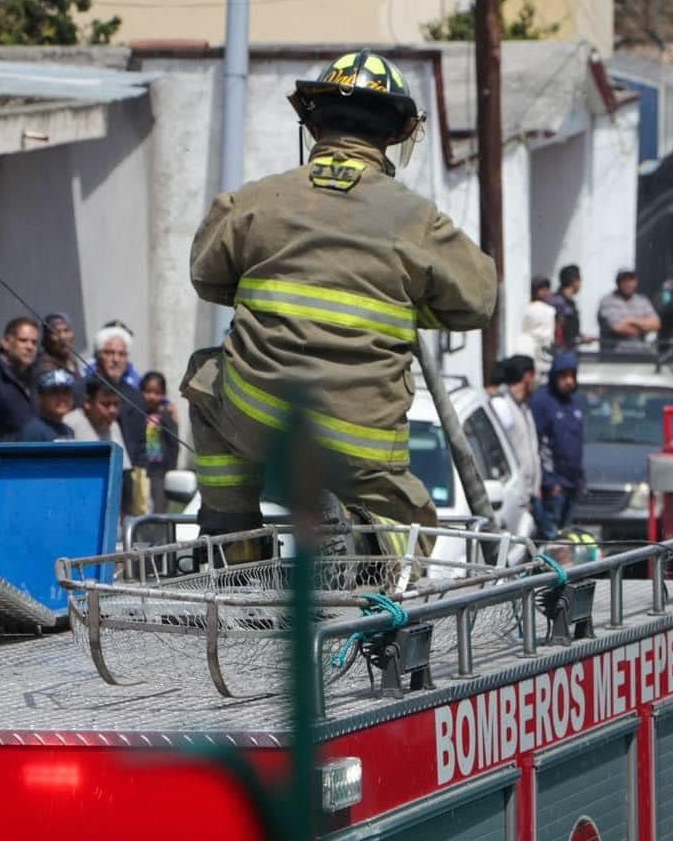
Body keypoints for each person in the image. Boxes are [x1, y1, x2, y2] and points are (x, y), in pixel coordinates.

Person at [181, 48, 496, 543]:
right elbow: (479, 300)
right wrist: (402, 301)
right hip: (362, 437)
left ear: (313, 125)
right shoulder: (416, 218)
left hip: (265, 416)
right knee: (409, 528)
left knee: (206, 379)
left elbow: (207, 276)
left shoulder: (255, 201)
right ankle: (366, 541)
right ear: (395, 135)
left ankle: (232, 534)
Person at [530, 351, 586, 541]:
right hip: (553, 488)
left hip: (572, 485)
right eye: (564, 376)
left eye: (572, 376)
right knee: (551, 540)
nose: (569, 381)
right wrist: (549, 482)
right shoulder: (542, 402)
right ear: (555, 376)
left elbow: (574, 444)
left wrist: (579, 479)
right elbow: (535, 445)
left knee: (565, 539)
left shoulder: (573, 404)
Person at [489, 355, 541, 537]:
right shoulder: (503, 406)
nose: (536, 381)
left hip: (528, 496)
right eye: (535, 376)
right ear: (527, 376)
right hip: (515, 497)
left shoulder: (524, 407)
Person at [88, 324, 148, 474]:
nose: (116, 359)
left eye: (122, 354)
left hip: (127, 474)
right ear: (98, 355)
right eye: (109, 353)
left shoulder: (136, 397)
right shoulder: (82, 389)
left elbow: (140, 446)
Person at [65, 377, 131, 470]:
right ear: (88, 402)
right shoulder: (70, 424)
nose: (112, 410)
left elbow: (124, 467)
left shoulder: (114, 425)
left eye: (116, 404)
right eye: (105, 404)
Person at [141, 371, 179, 514]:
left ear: (164, 394)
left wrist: (171, 470)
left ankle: (159, 536)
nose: (152, 396)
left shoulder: (167, 415)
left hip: (160, 471)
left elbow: (173, 443)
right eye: (148, 391)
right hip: (142, 469)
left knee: (159, 509)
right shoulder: (136, 413)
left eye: (157, 392)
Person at [596, 268, 661, 352]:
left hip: (641, 352)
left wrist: (632, 320)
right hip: (614, 354)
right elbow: (618, 328)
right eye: (624, 280)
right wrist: (644, 328)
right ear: (618, 282)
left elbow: (656, 323)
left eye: (631, 279)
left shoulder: (642, 300)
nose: (628, 283)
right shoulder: (608, 301)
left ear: (636, 281)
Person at [33, 312, 85, 405]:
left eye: (66, 330)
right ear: (46, 338)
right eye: (56, 332)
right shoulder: (44, 367)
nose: (62, 337)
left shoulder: (71, 360)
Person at [16, 369, 78, 442]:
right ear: (41, 398)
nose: (61, 397)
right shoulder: (32, 432)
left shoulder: (69, 431)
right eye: (54, 391)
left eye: (66, 392)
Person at [516, 277, 558, 372]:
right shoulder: (530, 309)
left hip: (543, 350)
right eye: (543, 289)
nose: (546, 293)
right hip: (533, 350)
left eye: (547, 289)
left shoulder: (550, 310)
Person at [550, 265, 596, 351]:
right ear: (574, 281)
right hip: (561, 353)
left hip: (570, 352)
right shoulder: (558, 302)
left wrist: (581, 338)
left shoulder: (570, 303)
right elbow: (558, 329)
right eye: (580, 280)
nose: (580, 284)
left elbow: (571, 331)